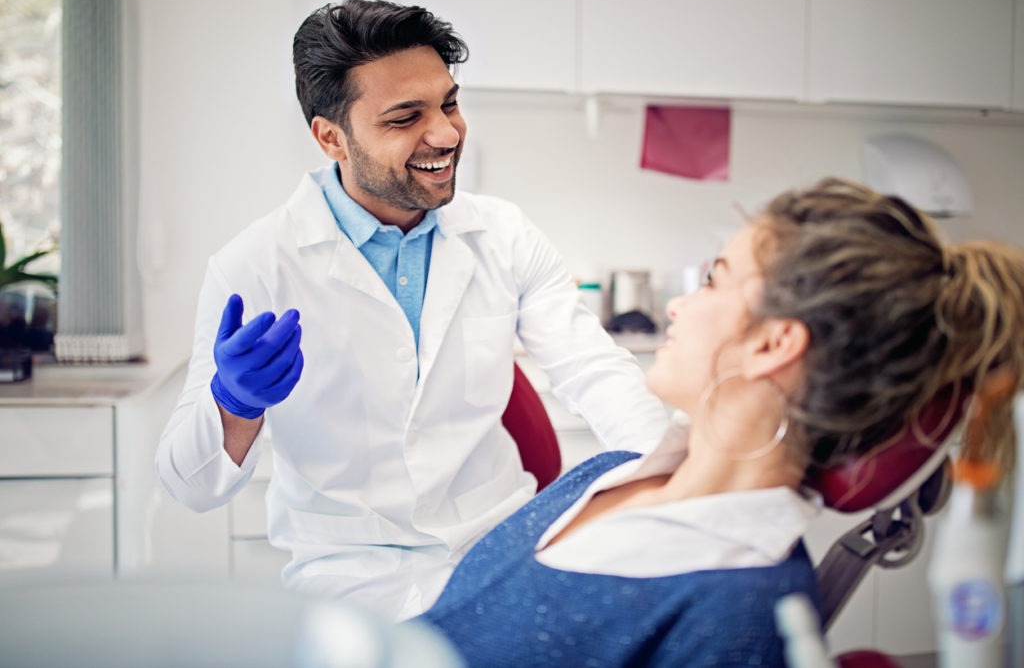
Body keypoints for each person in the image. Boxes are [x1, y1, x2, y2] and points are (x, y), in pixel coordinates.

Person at [155, 0, 669, 621]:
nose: (447, 133)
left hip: (502, 551)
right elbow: (188, 485)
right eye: (406, 117)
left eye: (449, 103)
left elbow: (593, 370)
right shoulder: (255, 266)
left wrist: (679, 480)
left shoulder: (503, 234)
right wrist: (234, 408)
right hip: (350, 579)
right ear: (331, 138)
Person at [416, 177, 1024, 667]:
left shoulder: (741, 615)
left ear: (773, 343)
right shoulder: (606, 474)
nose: (679, 305)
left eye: (714, 280)